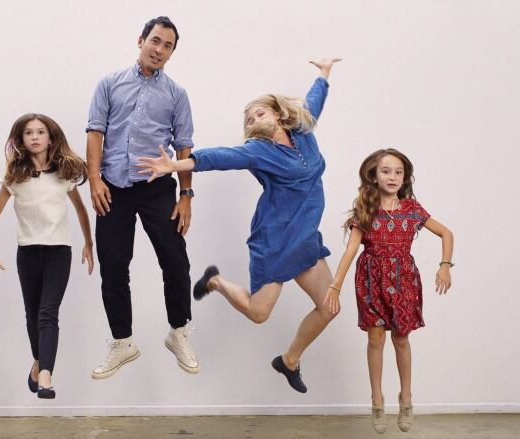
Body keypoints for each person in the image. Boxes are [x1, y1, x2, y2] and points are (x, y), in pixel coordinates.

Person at [138, 58, 341, 393]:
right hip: (275, 238)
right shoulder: (257, 151)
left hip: (304, 237)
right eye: (249, 119)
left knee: (329, 307)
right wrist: (175, 164)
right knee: (260, 314)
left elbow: (314, 101)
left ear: (277, 114)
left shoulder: (303, 131)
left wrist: (324, 73)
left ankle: (289, 360)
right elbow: (221, 157)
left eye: (260, 113)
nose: (254, 119)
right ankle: (216, 281)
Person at [85, 16, 198, 379]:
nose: (160, 50)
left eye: (167, 46)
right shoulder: (109, 84)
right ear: (141, 41)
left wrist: (186, 195)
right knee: (113, 268)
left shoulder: (177, 94)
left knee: (176, 261)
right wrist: (94, 180)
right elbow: (95, 133)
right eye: (155, 41)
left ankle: (178, 331)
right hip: (113, 187)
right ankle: (123, 342)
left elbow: (184, 146)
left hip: (156, 187)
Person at [327, 148, 454, 433]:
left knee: (401, 337)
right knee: (375, 338)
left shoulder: (412, 209)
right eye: (386, 171)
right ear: (373, 175)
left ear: (405, 176)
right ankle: (376, 399)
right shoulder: (365, 208)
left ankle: (406, 398)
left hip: (403, 278)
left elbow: (446, 233)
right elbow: (350, 251)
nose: (393, 177)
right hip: (371, 278)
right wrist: (335, 285)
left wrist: (445, 265)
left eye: (398, 172)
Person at [0, 113, 94, 399]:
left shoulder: (64, 173)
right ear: (20, 139)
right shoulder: (15, 176)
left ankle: (46, 375)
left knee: (48, 313)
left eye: (40, 132)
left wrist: (88, 243)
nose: (34, 137)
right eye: (28, 133)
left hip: (59, 252)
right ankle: (38, 362)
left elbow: (81, 210)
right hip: (28, 253)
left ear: (50, 137)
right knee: (32, 315)